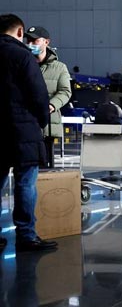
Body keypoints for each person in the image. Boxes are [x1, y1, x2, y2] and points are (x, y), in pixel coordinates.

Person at [0, 14, 56, 252]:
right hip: (23, 130)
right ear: (20, 32)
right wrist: (41, 121)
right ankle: (26, 235)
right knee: (25, 184)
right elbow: (38, 95)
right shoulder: (22, 55)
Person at [25, 26, 72, 169]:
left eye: (36, 40)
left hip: (48, 124)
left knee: (47, 166)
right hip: (26, 124)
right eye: (29, 40)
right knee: (28, 166)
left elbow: (65, 91)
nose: (31, 44)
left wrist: (51, 106)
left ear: (46, 42)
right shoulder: (24, 64)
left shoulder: (59, 68)